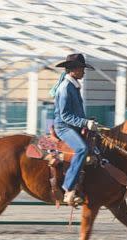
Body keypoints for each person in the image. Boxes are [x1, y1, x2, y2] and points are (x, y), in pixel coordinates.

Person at [51, 53, 98, 205]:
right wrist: (85, 123)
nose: (84, 71)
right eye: (82, 69)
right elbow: (65, 116)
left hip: (74, 126)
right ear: (73, 70)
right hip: (64, 127)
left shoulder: (72, 86)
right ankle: (68, 187)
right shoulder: (65, 88)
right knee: (82, 149)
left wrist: (87, 122)